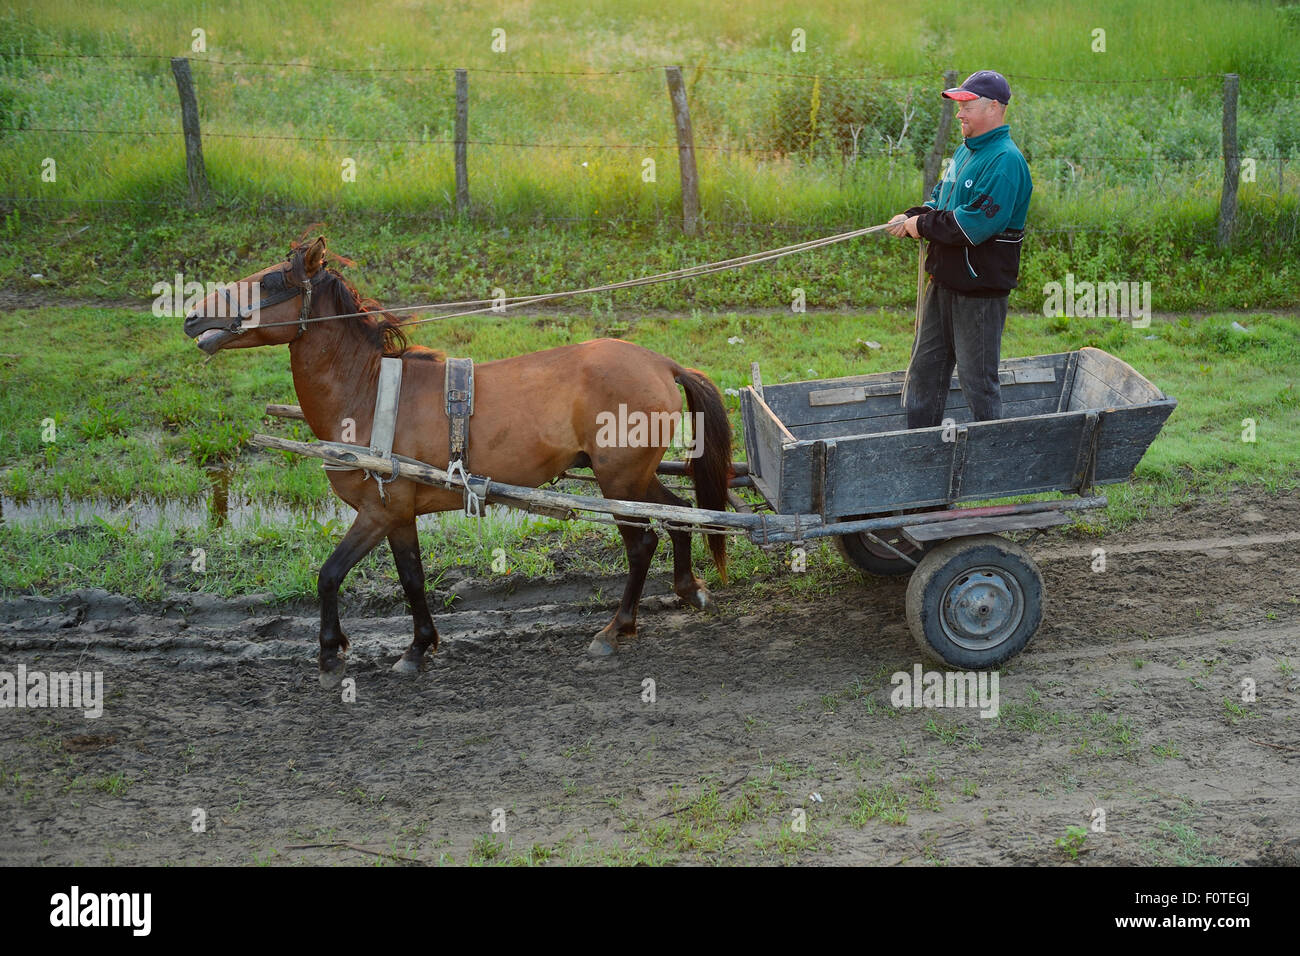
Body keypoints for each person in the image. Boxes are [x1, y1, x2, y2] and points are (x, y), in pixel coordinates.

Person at [886, 70, 1033, 429]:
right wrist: (913, 216)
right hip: (944, 283)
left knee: (977, 381)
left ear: (995, 107)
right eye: (958, 105)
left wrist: (921, 226)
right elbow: (941, 202)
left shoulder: (1006, 161)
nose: (960, 115)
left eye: (967, 105)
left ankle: (992, 454)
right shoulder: (964, 152)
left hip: (979, 293)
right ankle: (920, 449)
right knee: (924, 370)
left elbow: (974, 224)